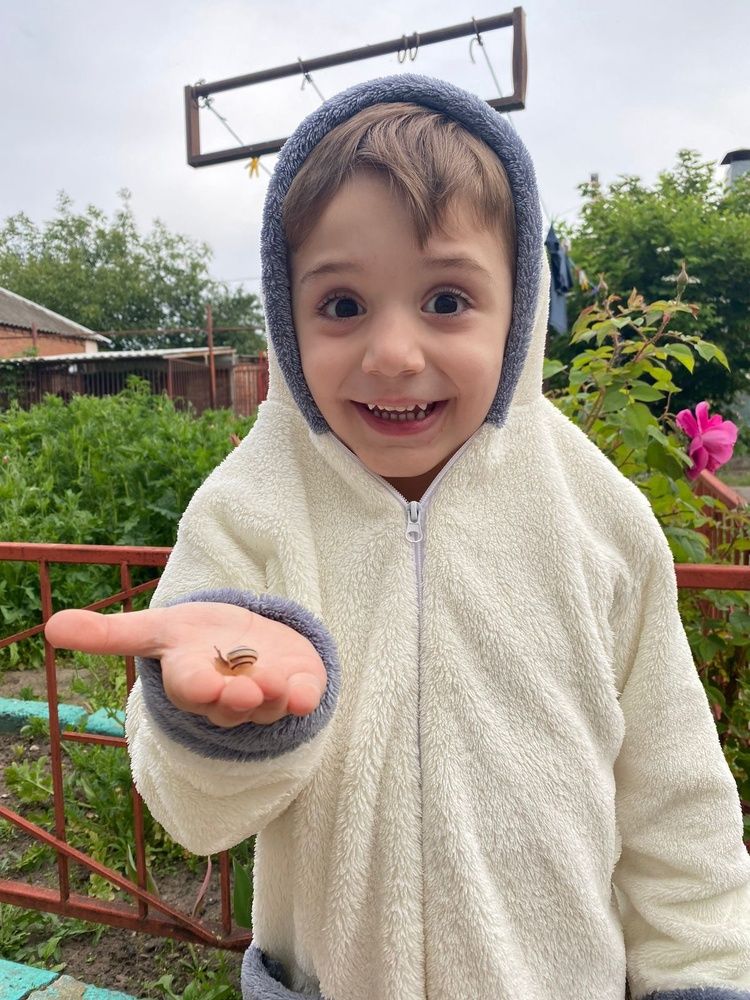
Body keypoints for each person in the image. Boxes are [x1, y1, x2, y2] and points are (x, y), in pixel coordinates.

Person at [45, 75, 750, 1000]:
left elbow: (677, 807)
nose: (392, 354)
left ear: (520, 308)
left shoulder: (600, 520)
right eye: (342, 305)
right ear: (286, 318)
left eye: (447, 300)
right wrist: (218, 727)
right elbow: (191, 816)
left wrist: (704, 982)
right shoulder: (247, 511)